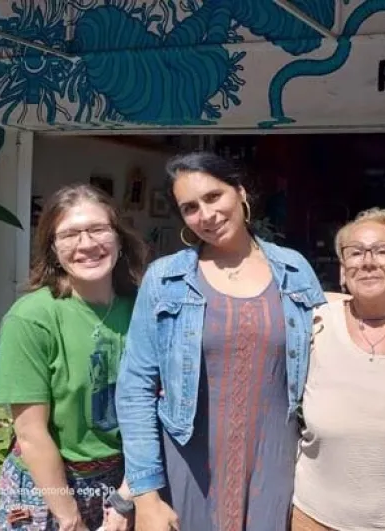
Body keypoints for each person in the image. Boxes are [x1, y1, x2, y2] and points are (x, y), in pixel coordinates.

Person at [115, 152, 329, 531]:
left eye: (214, 197)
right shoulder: (165, 279)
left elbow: (331, 341)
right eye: (190, 208)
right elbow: (135, 388)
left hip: (274, 464)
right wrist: (146, 495)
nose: (206, 215)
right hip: (189, 466)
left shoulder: (294, 270)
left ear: (241, 192)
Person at [0, 184, 148, 531]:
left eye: (98, 229)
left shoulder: (143, 309)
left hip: (125, 482)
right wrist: (69, 517)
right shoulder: (32, 318)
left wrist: (125, 498)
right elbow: (31, 433)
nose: (86, 244)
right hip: (48, 487)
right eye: (70, 234)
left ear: (119, 238)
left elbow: (155, 412)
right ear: (53, 248)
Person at [291, 208, 385, 531]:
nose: (368, 261)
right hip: (312, 518)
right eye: (355, 253)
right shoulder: (315, 323)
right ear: (343, 271)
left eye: (382, 251)